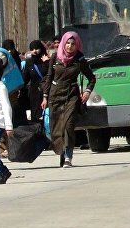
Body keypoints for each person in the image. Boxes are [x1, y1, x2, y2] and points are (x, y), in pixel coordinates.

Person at [41, 31, 96, 168]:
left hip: (71, 95)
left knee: (68, 125)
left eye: (73, 44)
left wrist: (88, 91)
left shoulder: (79, 59)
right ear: (63, 43)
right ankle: (61, 152)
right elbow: (49, 77)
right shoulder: (55, 57)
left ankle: (68, 157)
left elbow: (92, 78)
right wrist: (45, 97)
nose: (70, 46)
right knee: (57, 128)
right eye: (68, 43)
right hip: (55, 95)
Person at [22, 40, 50, 121]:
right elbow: (25, 78)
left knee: (47, 116)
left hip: (46, 91)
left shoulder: (46, 60)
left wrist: (47, 63)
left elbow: (50, 74)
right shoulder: (29, 62)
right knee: (36, 116)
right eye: (32, 49)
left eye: (37, 48)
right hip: (34, 93)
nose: (34, 51)